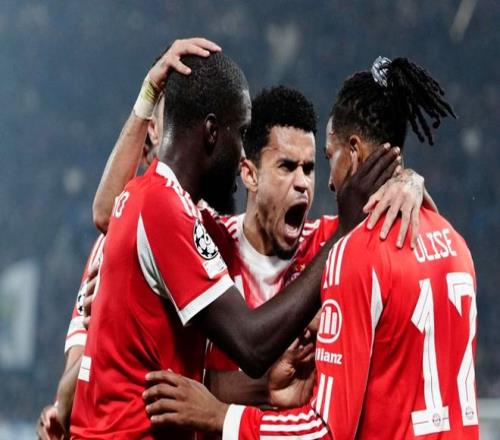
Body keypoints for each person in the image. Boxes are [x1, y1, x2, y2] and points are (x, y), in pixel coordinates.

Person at [69, 45, 399, 439]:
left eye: (310, 168)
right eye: (241, 133)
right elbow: (252, 344)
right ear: (212, 132)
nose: (243, 151)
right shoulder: (168, 210)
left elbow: (105, 211)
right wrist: (344, 234)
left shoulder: (153, 198)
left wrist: (409, 183)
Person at [143, 56, 478, 439]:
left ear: (353, 152)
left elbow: (327, 429)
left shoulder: (341, 243)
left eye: (314, 165)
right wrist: (145, 102)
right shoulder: (211, 238)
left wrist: (409, 180)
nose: (309, 182)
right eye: (287, 167)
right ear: (249, 174)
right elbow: (110, 212)